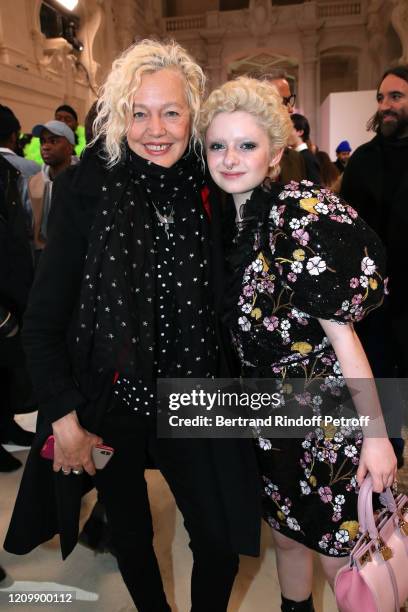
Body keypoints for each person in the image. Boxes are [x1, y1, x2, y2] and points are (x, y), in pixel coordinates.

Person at [4, 40, 261, 612]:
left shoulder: (214, 185)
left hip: (196, 391)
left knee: (220, 544)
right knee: (131, 535)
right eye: (138, 112)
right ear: (118, 116)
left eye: (171, 111)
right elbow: (44, 321)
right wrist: (65, 419)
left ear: (194, 113)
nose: (156, 129)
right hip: (113, 395)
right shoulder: (85, 190)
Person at [199, 77, 397, 612]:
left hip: (328, 415)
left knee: (341, 558)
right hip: (269, 414)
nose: (231, 159)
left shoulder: (298, 216)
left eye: (247, 145)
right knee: (287, 538)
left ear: (276, 151)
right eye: (218, 145)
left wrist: (377, 437)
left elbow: (344, 336)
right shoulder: (227, 220)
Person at [341, 65, 408, 468]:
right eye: (381, 98)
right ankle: (391, 473)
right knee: (384, 389)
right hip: (378, 307)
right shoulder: (363, 161)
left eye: (395, 97)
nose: (385, 106)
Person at [28, 120, 76, 263]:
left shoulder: (83, 179)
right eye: (42, 142)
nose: (46, 147)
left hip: (73, 255)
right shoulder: (33, 182)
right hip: (41, 255)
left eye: (54, 141)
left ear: (70, 147)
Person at [255, 71, 307, 183]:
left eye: (290, 100)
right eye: (283, 101)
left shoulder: (296, 158)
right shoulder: (237, 158)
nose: (291, 109)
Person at [291, 113, 321, 184]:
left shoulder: (307, 157)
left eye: (288, 129)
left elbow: (315, 187)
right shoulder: (294, 155)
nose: (284, 133)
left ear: (300, 132)